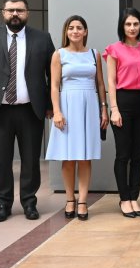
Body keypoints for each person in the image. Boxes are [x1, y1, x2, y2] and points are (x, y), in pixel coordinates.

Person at [0, 0, 55, 222]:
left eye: (20, 10)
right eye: (10, 10)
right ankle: (3, 204)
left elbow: (53, 74)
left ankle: (29, 202)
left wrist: (50, 105)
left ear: (27, 13)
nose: (15, 14)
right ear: (3, 13)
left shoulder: (42, 38)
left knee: (31, 160)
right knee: (1, 160)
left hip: (31, 110)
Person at [45, 16, 108, 221]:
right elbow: (54, 85)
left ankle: (83, 201)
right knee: (69, 156)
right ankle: (69, 199)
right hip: (68, 105)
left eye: (79, 27)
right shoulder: (59, 54)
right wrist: (57, 111)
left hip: (89, 106)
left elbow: (100, 84)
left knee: (85, 156)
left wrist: (104, 109)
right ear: (66, 31)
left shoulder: (94, 54)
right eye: (71, 28)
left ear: (85, 31)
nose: (75, 31)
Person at [104, 8, 140, 218]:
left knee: (138, 155)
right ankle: (124, 198)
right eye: (128, 24)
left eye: (135, 24)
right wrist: (114, 109)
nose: (132, 28)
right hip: (122, 102)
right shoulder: (114, 49)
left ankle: (134, 197)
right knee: (123, 154)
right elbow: (111, 81)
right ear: (122, 26)